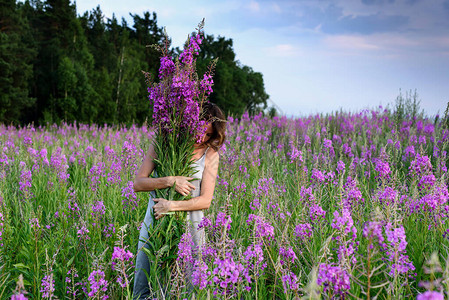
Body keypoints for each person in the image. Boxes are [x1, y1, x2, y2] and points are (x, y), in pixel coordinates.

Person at [132, 103, 226, 299]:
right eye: (199, 131)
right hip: (155, 225)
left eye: (208, 135)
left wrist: (171, 205)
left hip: (191, 229)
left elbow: (206, 201)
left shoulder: (211, 155)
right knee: (144, 289)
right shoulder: (163, 143)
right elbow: (138, 184)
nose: (202, 138)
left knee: (187, 291)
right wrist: (170, 181)